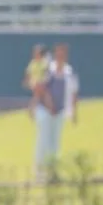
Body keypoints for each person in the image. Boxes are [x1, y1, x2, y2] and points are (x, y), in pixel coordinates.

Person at [33, 43, 80, 181]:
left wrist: (74, 112)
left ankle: (53, 171)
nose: (60, 57)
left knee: (55, 142)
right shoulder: (48, 70)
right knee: (43, 140)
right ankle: (40, 172)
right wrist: (48, 105)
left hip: (59, 111)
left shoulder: (69, 72)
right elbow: (41, 88)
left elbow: (74, 93)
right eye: (58, 54)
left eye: (63, 54)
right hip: (45, 111)